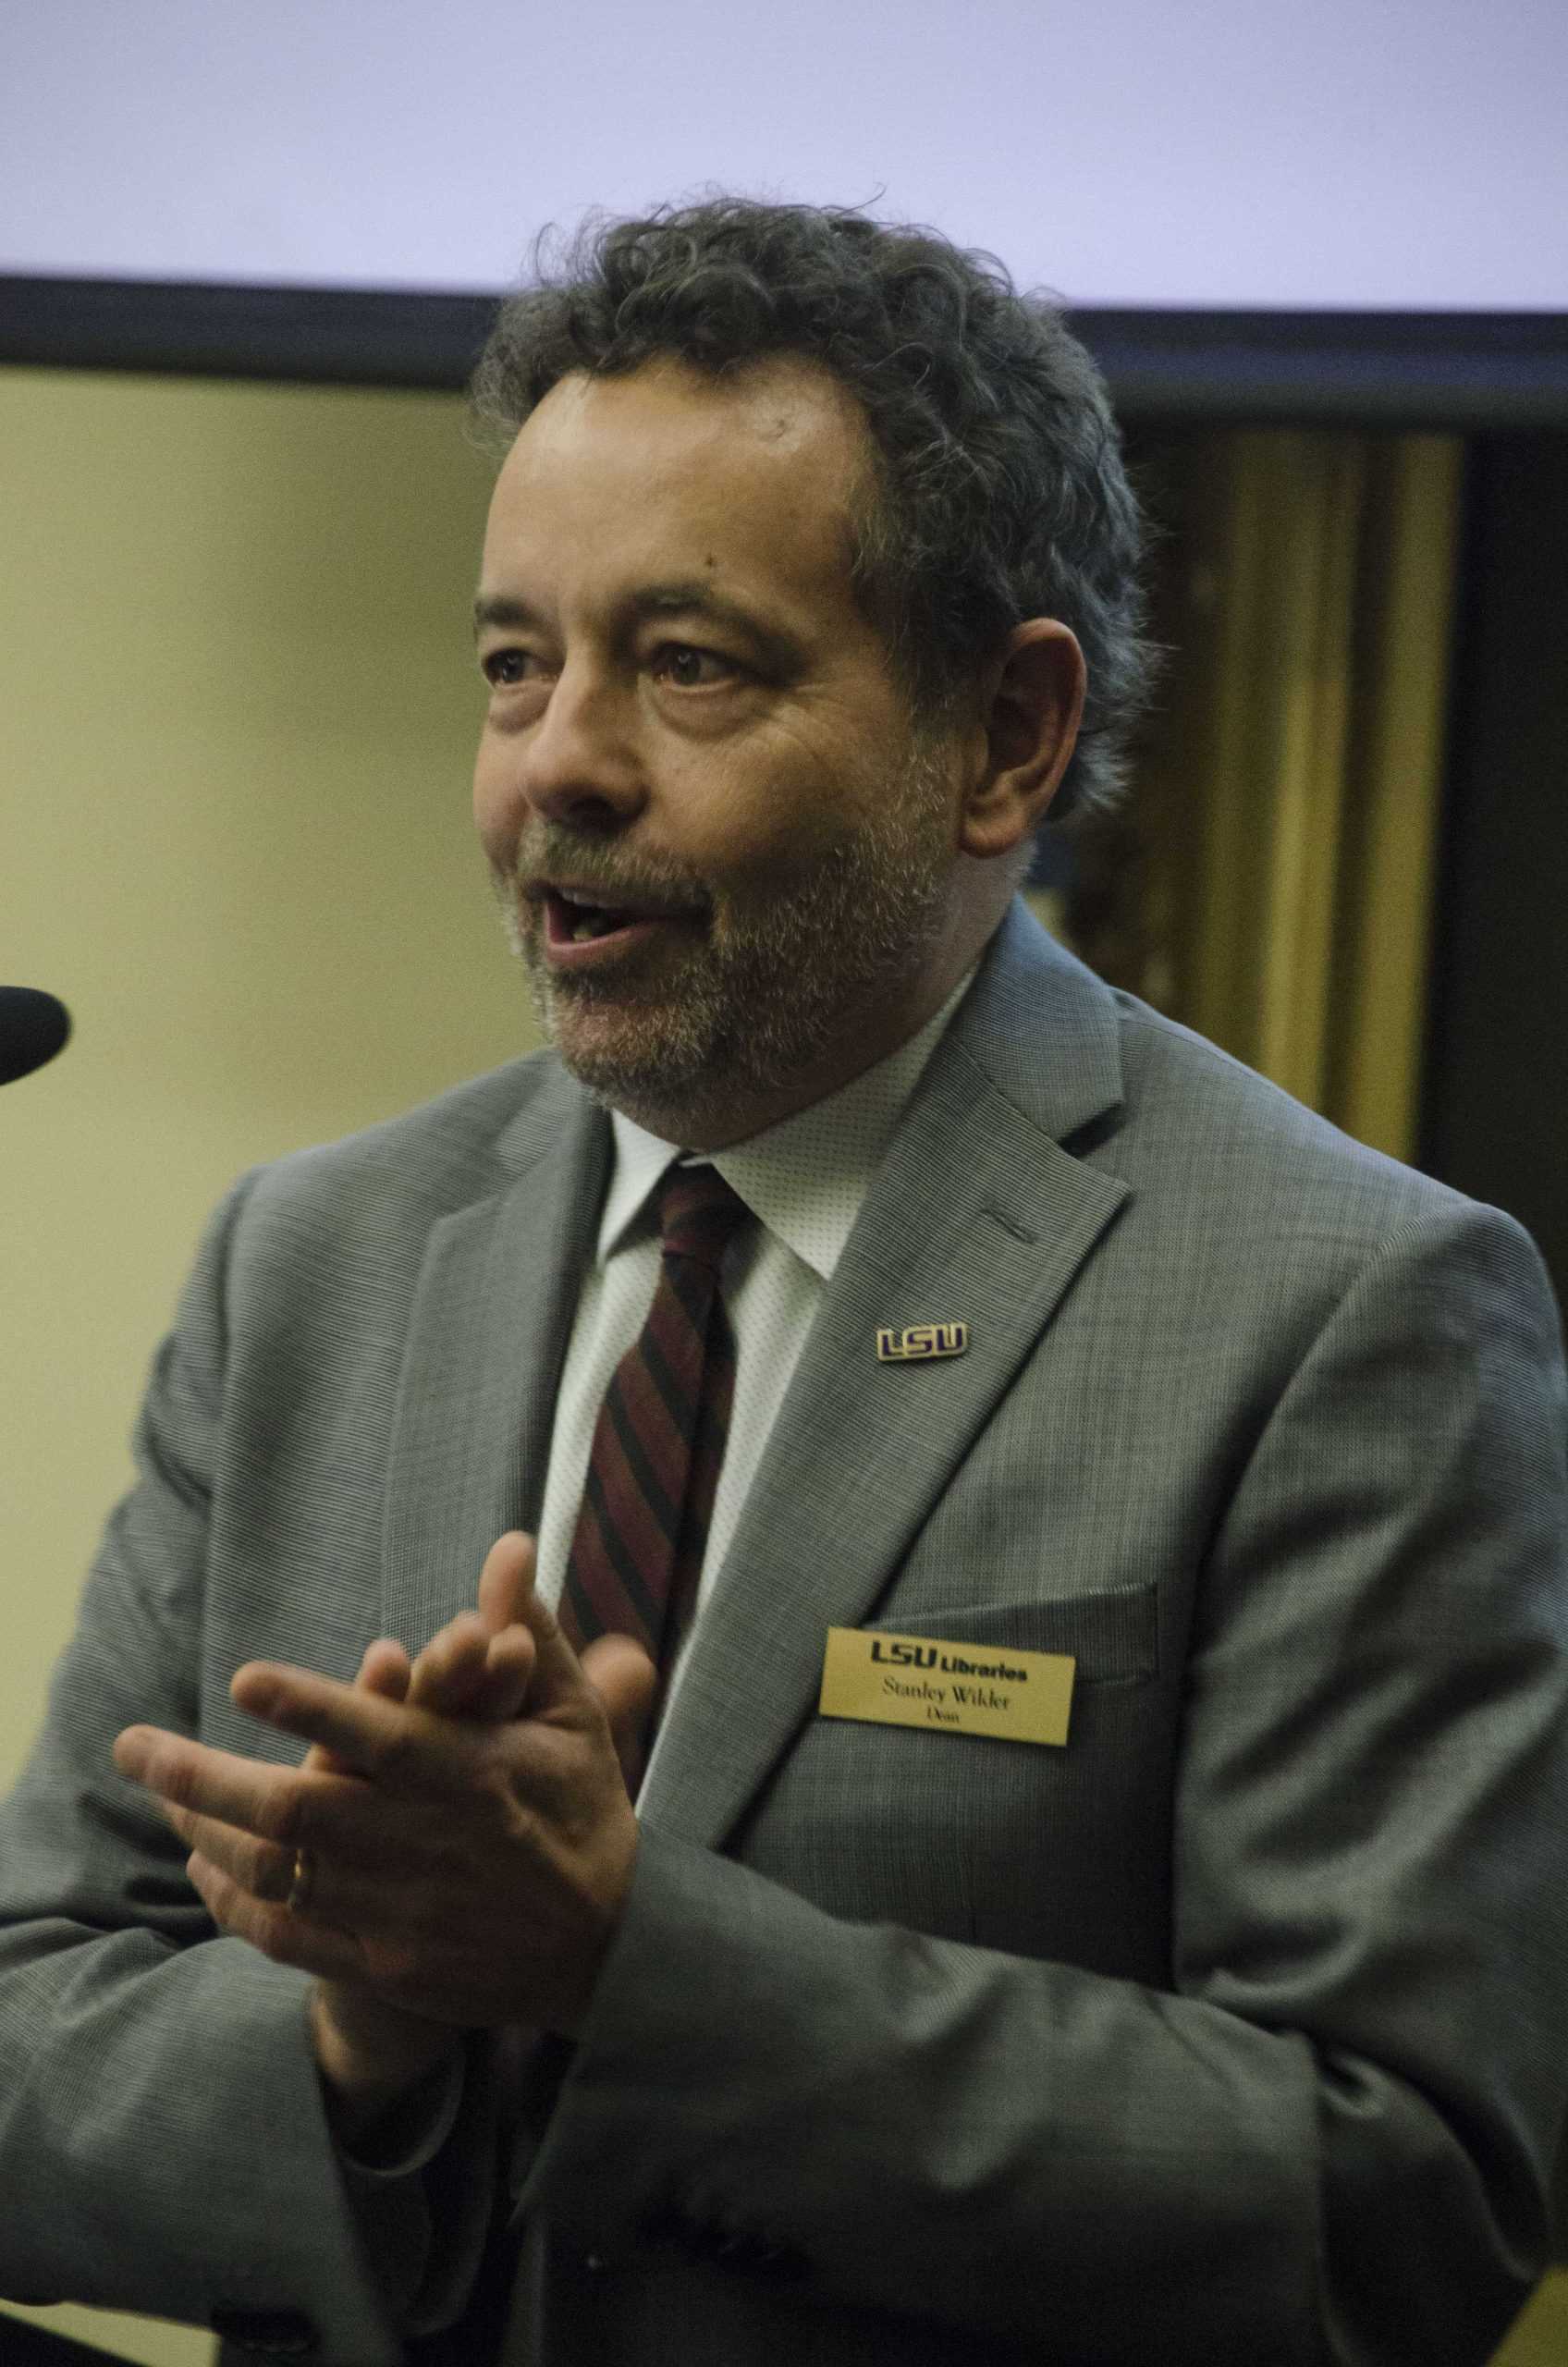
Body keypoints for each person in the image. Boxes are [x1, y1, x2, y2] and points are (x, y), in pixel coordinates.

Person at [2, 197, 1566, 2367]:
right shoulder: (317, 1256)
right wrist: (361, 2030)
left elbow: (1396, 2205)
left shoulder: (1347, 1310)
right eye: (511, 664)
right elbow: (27, 2042)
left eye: (688, 662)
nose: (557, 760)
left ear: (1004, 737)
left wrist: (628, 1955)